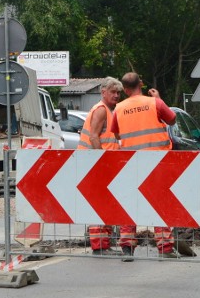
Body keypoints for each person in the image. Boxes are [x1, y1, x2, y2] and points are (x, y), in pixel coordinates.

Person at [109, 72, 179, 260]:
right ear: (141, 83)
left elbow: (116, 134)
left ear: (124, 90)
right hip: (156, 160)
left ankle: (126, 247)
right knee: (160, 202)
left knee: (130, 203)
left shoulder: (119, 108)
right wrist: (158, 98)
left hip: (131, 161)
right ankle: (164, 247)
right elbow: (172, 119)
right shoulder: (154, 102)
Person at [76, 77, 122, 255]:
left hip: (99, 164)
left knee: (104, 204)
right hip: (96, 165)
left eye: (118, 93)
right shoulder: (101, 110)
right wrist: (101, 161)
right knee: (99, 204)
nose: (116, 96)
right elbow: (94, 137)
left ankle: (104, 244)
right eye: (113, 92)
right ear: (103, 92)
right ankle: (100, 246)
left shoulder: (108, 110)